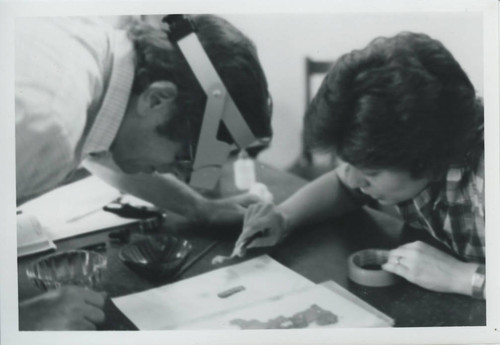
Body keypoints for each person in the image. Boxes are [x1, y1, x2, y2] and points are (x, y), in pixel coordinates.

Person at [16, 15, 272, 329]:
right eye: (182, 157)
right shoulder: (48, 128)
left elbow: (107, 151)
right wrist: (22, 318)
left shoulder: (105, 55)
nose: (178, 174)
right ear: (156, 99)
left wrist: (201, 208)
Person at [236, 32, 485, 299]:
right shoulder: (397, 151)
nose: (355, 180)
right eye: (350, 163)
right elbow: (344, 185)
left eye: (370, 173)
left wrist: (462, 277)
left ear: (430, 159)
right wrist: (283, 217)